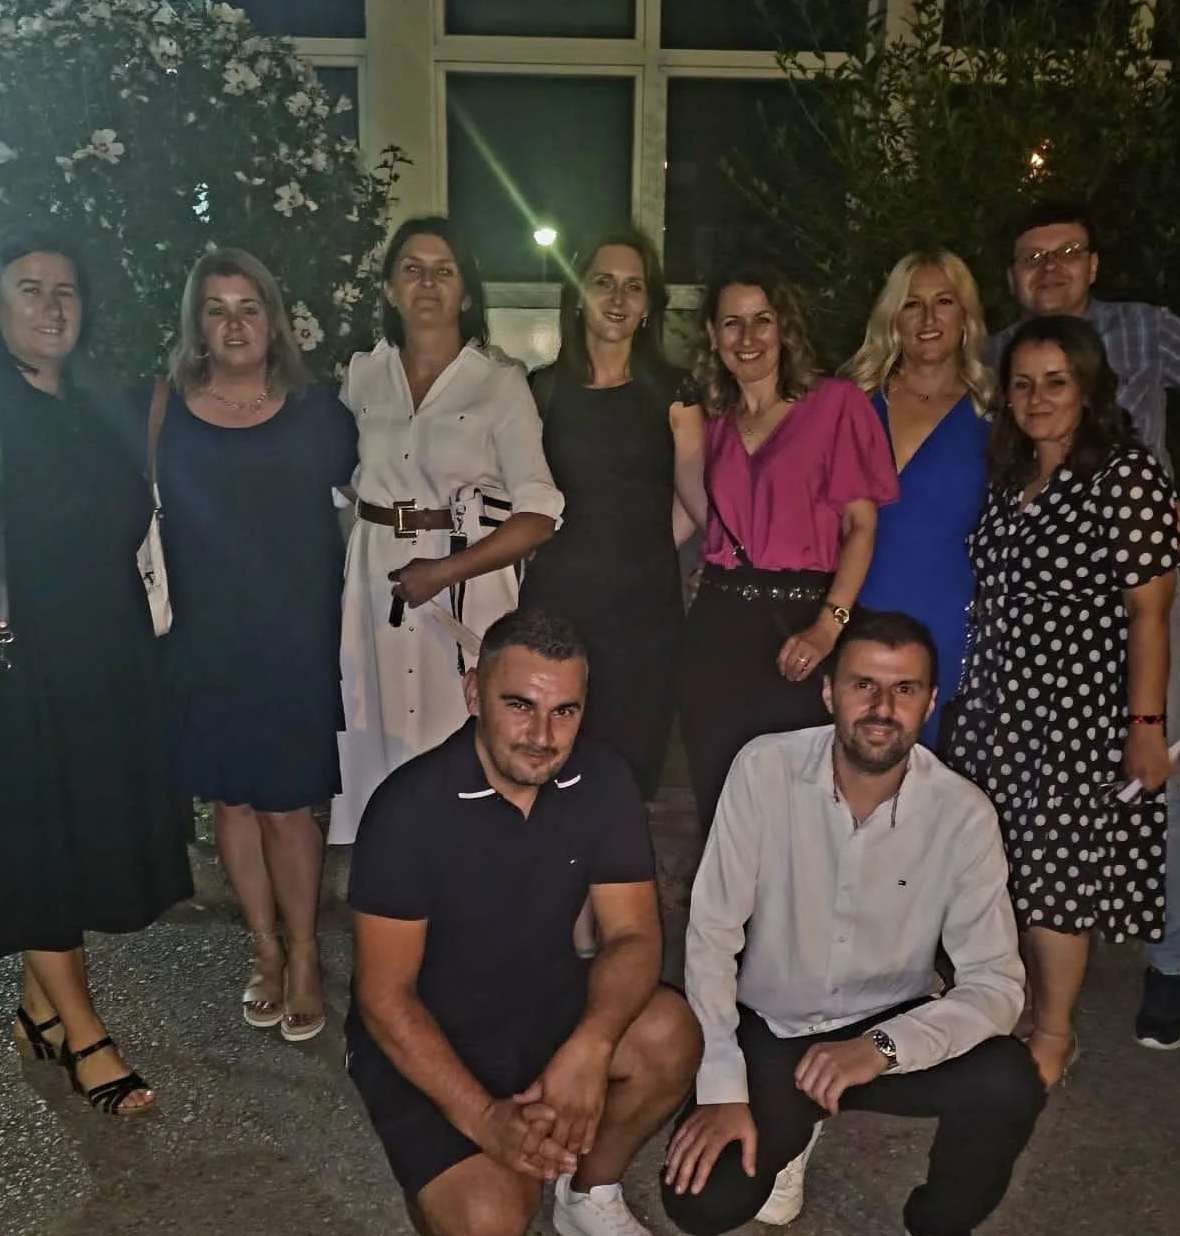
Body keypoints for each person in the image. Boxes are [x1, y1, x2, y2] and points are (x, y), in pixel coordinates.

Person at [661, 611, 1044, 1236]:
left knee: (1009, 1080)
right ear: (829, 691)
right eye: (864, 684)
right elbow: (710, 934)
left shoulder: (962, 814)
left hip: (886, 1032)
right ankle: (796, 1124)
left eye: (905, 690)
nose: (882, 707)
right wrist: (722, 1086)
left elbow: (997, 983)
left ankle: (940, 1235)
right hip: (774, 1029)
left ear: (930, 702)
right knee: (702, 1203)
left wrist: (883, 1047)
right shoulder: (764, 770)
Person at [0, 225, 192, 1116]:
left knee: (80, 840)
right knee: (34, 844)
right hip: (10, 663)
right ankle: (86, 1036)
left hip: (103, 657)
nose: (52, 306)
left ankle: (38, 1010)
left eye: (65, 290)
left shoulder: (92, 400)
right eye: (29, 289)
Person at [346, 610, 701, 1236]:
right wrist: (485, 1120)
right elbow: (385, 997)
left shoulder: (602, 780)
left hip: (543, 1001)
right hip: (431, 1030)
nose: (542, 736)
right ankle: (492, 1154)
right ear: (473, 692)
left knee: (670, 1034)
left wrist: (590, 1048)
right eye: (520, 706)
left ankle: (589, 1192)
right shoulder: (407, 809)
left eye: (565, 711)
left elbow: (633, 935)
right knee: (486, 1229)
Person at [995, 200, 1180, 1050]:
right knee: (1035, 786)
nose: (1050, 268)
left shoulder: (1146, 331)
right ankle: (1025, 964)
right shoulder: (1001, 351)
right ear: (1012, 277)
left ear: (1093, 263)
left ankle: (1169, 963)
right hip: (1038, 610)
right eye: (1032, 257)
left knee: (1151, 771)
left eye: (1067, 251)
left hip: (1131, 599)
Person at [946, 316, 1180, 1089]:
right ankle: (1009, 1007)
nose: (1037, 397)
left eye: (1055, 381)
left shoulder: (1125, 475)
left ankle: (1055, 1029)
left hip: (1073, 714)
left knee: (1056, 875)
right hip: (995, 707)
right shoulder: (1010, 476)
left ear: (1088, 388)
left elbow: (1150, 611)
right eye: (1022, 383)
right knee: (997, 868)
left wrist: (1146, 727)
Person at [154, 248, 356, 1043]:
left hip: (293, 636)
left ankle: (304, 955)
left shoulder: (319, 413)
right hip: (204, 639)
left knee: (287, 805)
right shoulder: (164, 412)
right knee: (231, 802)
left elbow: (361, 511)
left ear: (273, 319)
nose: (234, 324)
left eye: (249, 307)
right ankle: (263, 948)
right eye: (217, 309)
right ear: (196, 324)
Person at [328, 217, 564, 846]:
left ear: (465, 293)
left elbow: (540, 513)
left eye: (444, 270)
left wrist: (443, 572)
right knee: (379, 741)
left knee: (464, 738)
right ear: (389, 289)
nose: (427, 283)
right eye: (412, 269)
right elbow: (335, 479)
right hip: (377, 582)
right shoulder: (362, 376)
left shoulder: (499, 382)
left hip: (466, 584)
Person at [677, 265, 900, 829]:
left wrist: (829, 625)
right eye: (732, 323)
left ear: (784, 329)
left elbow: (862, 526)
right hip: (719, 626)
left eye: (762, 320)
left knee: (803, 806)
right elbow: (701, 520)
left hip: (802, 624)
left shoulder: (835, 405)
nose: (748, 338)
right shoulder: (715, 423)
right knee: (720, 798)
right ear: (713, 335)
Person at [518, 228, 700, 802]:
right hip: (558, 601)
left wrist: (651, 548)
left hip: (642, 611)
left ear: (649, 305)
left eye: (633, 286)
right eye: (603, 282)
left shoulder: (674, 391)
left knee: (626, 771)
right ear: (579, 295)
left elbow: (696, 495)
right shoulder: (542, 389)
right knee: (549, 761)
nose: (618, 298)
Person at [844, 250, 996, 745]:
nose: (929, 318)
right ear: (893, 318)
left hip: (948, 622)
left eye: (944, 302)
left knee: (931, 773)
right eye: (912, 304)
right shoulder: (852, 404)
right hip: (851, 616)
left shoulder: (997, 413)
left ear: (965, 316)